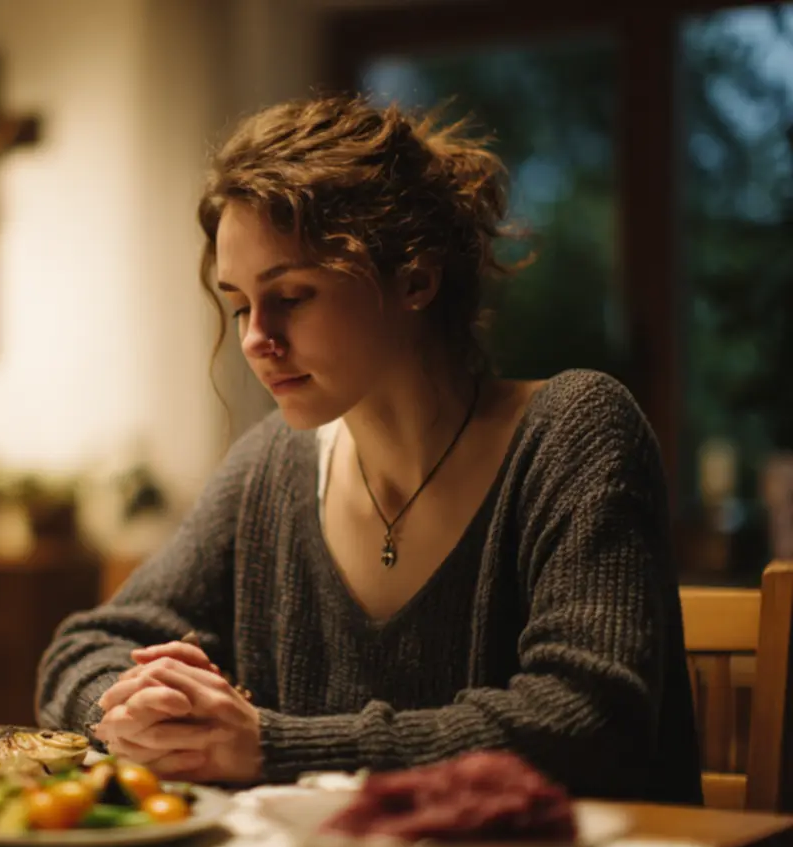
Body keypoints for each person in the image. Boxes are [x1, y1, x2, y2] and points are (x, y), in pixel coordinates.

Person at [34, 94, 703, 805]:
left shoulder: (575, 432)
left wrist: (268, 745)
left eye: (291, 294)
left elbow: (587, 724)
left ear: (415, 278)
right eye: (238, 305)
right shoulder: (272, 467)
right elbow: (79, 654)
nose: (257, 337)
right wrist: (144, 712)